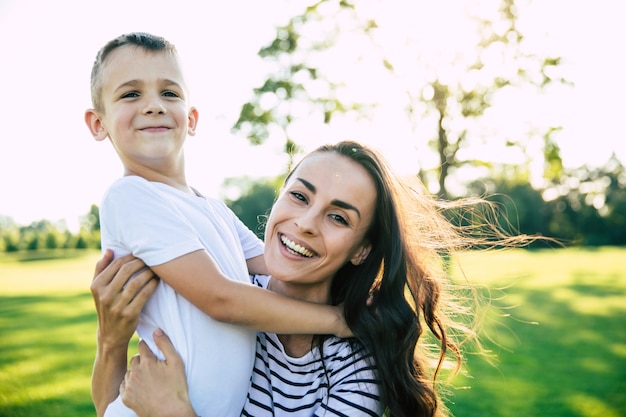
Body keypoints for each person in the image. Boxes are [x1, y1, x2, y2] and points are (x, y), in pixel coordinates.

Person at [93, 140, 535, 416]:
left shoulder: (353, 369)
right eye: (299, 196)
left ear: (363, 248)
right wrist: (112, 342)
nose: (305, 222)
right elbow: (118, 407)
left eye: (338, 217)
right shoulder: (221, 298)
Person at [84, 32, 350, 417]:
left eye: (170, 93)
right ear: (98, 123)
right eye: (130, 94)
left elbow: (275, 264)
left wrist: (357, 287)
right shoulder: (129, 197)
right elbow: (220, 299)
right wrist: (340, 320)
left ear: (191, 119)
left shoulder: (210, 208)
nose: (154, 106)